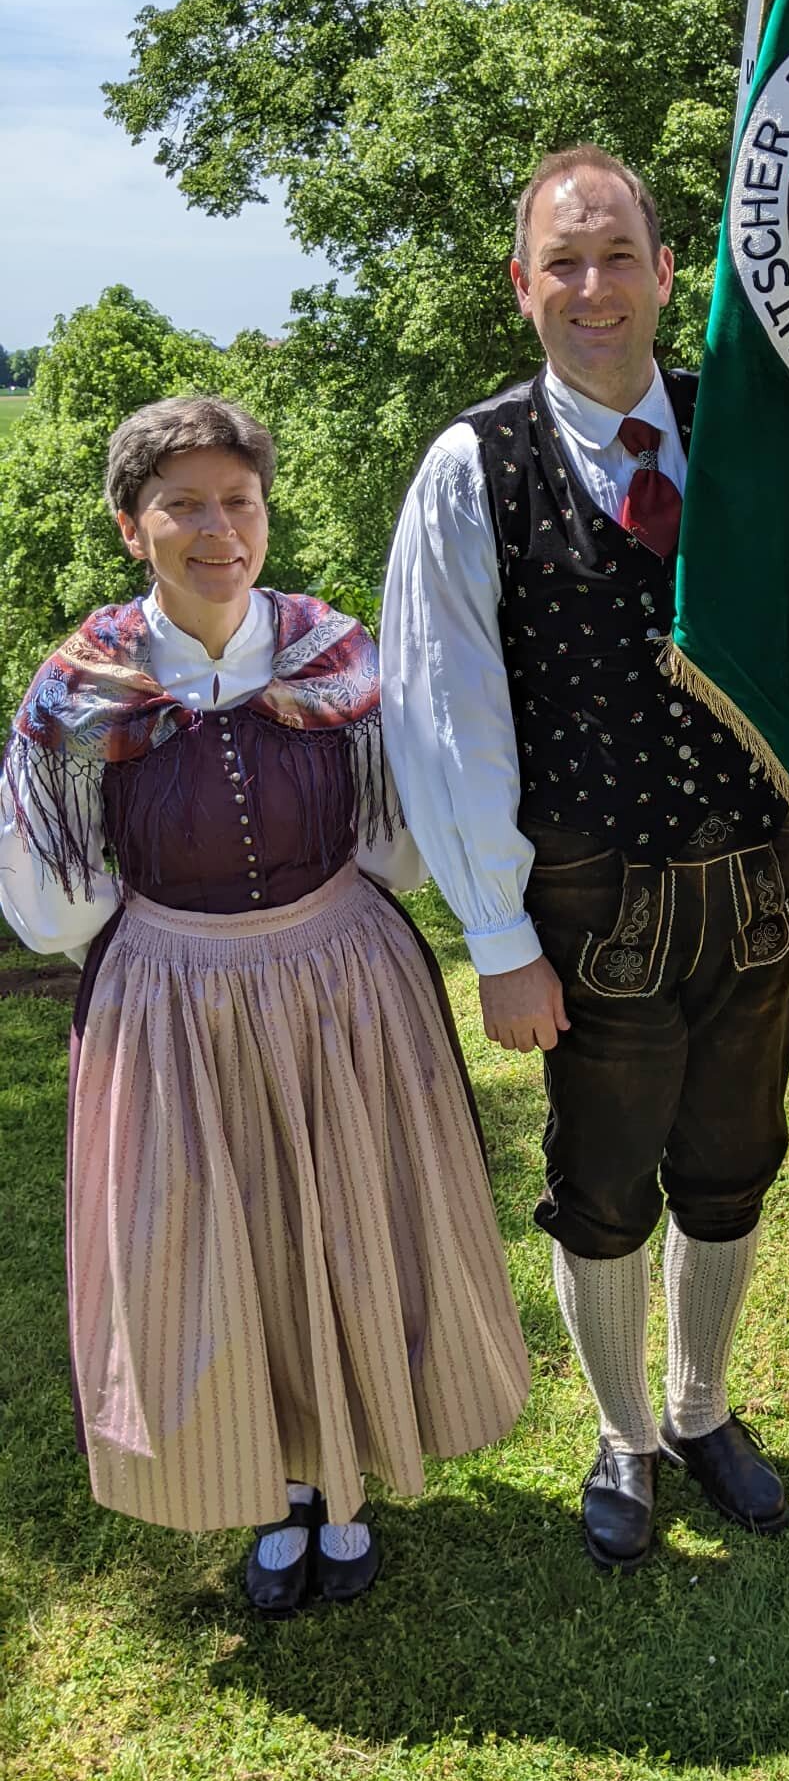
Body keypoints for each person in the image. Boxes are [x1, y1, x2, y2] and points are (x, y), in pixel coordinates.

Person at [0, 396, 530, 1615]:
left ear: (264, 513)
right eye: (182, 504)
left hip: (341, 986)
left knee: (349, 1219)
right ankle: (281, 1488)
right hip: (176, 1005)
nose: (216, 527)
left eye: (236, 500)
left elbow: (402, 839)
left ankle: (345, 1486)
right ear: (133, 527)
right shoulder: (78, 693)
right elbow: (50, 903)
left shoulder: (339, 656)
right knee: (216, 1236)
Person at [380, 146, 789, 1574]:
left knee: (734, 1163)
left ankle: (701, 1409)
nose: (592, 285)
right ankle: (623, 1428)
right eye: (563, 260)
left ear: (666, 272)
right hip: (587, 901)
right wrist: (496, 934)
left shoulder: (744, 432)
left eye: (617, 253)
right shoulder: (474, 465)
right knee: (608, 1179)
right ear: (522, 287)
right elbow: (445, 706)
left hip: (755, 881)